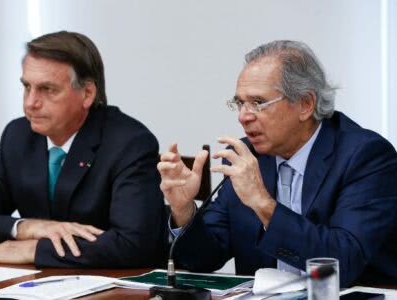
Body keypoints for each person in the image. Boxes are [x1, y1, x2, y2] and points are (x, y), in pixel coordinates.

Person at [158, 40, 397, 287]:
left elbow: (343, 263)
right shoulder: (248, 155)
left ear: (305, 104)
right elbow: (204, 259)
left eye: (258, 103)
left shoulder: (364, 156)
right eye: (240, 103)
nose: (243, 117)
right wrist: (183, 210)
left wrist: (263, 204)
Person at [0, 31, 166, 268]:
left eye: (48, 89)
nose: (30, 102)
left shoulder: (129, 143)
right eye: (26, 87)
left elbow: (134, 245)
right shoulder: (19, 135)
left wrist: (33, 249)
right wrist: (26, 227)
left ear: (87, 93)